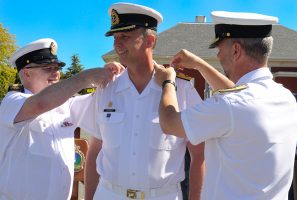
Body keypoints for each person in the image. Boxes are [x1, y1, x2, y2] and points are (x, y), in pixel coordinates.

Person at [81, 3, 233, 200]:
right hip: (109, 193)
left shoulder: (181, 89)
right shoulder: (106, 88)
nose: (117, 44)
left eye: (125, 37)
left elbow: (199, 154)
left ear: (150, 40)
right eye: (115, 38)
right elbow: (94, 151)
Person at [154, 11, 297, 200]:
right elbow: (239, 97)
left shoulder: (230, 105)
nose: (218, 55)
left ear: (236, 50)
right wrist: (199, 64)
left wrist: (168, 83)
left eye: (220, 49)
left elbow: (169, 122)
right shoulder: (285, 97)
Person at [0, 38, 124, 200]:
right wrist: (84, 78)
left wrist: (113, 75)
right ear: (26, 72)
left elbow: (103, 101)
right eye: (48, 68)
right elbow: (40, 104)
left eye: (57, 68)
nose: (56, 73)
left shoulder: (66, 105)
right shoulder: (12, 102)